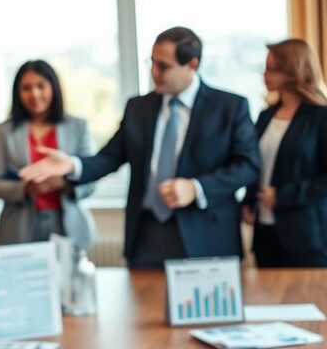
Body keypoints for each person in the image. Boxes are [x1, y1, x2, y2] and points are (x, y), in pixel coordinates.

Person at [21, 27, 260, 268]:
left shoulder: (229, 107)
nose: (154, 72)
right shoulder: (138, 108)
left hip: (207, 236)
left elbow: (249, 166)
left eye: (163, 66)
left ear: (192, 64)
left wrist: (196, 188)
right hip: (147, 236)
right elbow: (109, 158)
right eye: (152, 63)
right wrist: (72, 165)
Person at [241, 39, 327, 267]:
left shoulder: (325, 116)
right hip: (265, 231)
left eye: (273, 68)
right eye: (265, 67)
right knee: (268, 291)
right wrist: (248, 201)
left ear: (294, 70)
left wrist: (282, 196)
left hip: (309, 234)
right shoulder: (265, 116)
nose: (265, 74)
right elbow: (257, 165)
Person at [0, 60, 97, 248]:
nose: (34, 94)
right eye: (26, 88)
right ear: (17, 93)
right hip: (19, 227)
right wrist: (26, 189)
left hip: (67, 225)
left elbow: (91, 178)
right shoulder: (4, 131)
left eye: (41, 86)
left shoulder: (78, 126)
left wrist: (64, 184)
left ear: (53, 88)